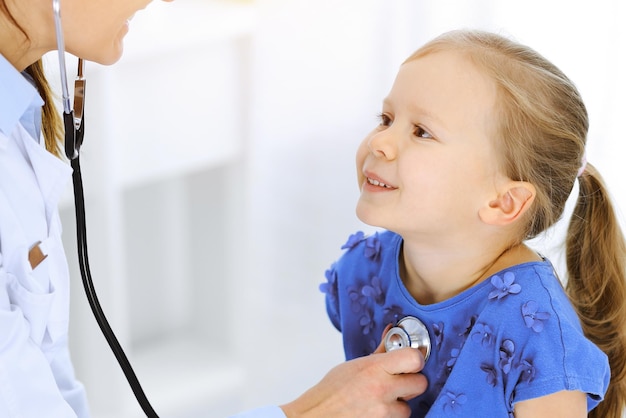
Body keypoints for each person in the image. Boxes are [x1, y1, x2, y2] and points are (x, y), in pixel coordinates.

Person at [0, 0, 427, 417]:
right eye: (386, 120)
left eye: (423, 132)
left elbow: (50, 385)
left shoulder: (20, 119)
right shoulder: (357, 277)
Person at [320, 29, 626, 418]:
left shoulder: (539, 339)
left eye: (422, 132)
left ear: (503, 201)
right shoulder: (363, 270)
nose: (380, 142)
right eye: (386, 118)